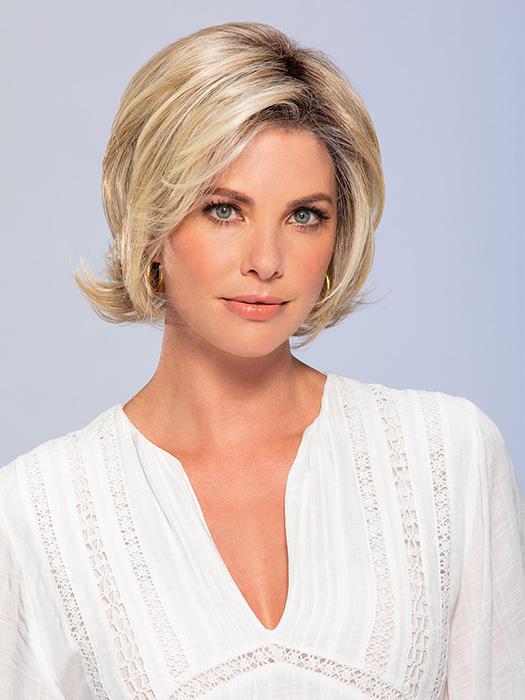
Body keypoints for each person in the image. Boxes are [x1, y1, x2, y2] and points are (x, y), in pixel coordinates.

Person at [0, 20, 523, 700]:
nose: (267, 261)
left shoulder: (446, 458)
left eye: (304, 215)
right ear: (151, 224)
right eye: (224, 210)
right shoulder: (40, 511)